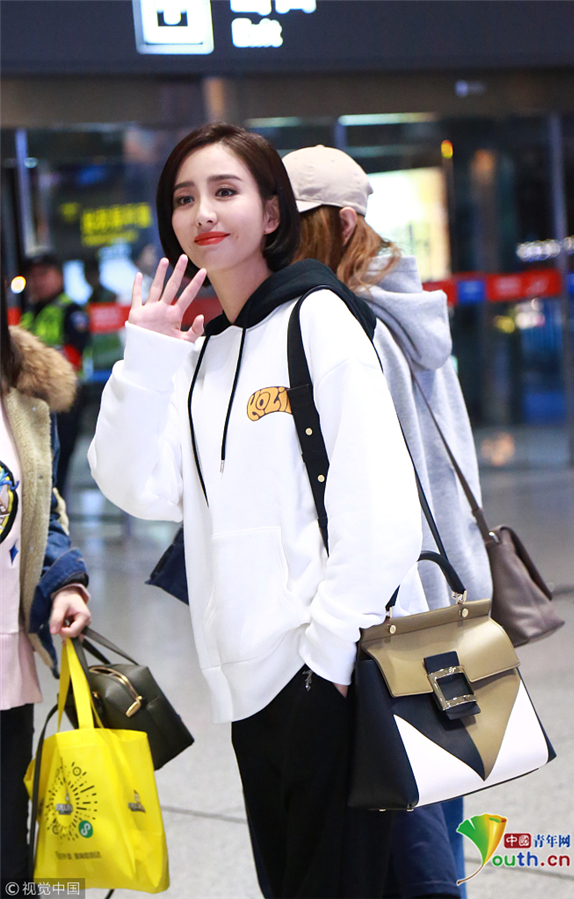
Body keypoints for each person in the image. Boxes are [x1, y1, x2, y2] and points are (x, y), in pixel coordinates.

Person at [88, 122, 425, 899]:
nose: (202, 212)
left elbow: (382, 507)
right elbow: (139, 488)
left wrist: (326, 657)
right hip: (247, 691)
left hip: (327, 677)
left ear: (272, 213)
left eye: (225, 191)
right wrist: (147, 358)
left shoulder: (320, 318)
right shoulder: (205, 355)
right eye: (184, 198)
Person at [284, 144, 494, 899]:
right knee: (436, 796)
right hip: (444, 592)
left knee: (410, 831)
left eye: (293, 224)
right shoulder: (411, 309)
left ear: (341, 223)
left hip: (393, 600)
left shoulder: (352, 324)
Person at [1, 288, 91, 889]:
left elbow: (43, 511)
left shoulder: (23, 395)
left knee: (9, 844)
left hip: (6, 658)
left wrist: (65, 584)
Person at [20, 252, 90, 495]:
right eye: (32, 276)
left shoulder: (72, 310)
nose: (37, 281)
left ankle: (56, 515)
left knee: (58, 464)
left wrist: (34, 364)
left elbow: (75, 354)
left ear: (59, 276)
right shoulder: (29, 312)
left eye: (43, 274)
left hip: (63, 398)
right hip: (33, 398)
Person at [83, 252, 123, 374]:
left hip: (115, 356)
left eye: (92, 273)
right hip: (98, 359)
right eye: (87, 274)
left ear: (98, 273)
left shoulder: (112, 296)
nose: (89, 277)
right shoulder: (88, 301)